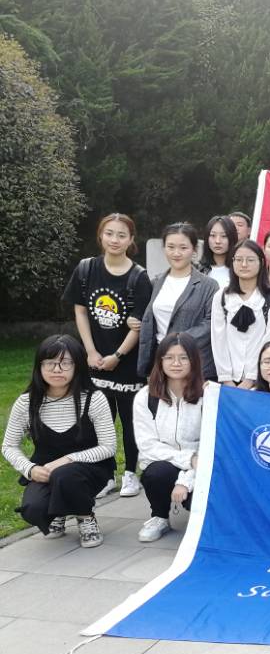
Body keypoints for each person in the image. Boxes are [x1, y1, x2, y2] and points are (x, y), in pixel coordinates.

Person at [63, 212, 152, 499]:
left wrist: (117, 355)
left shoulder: (139, 277)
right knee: (99, 420)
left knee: (129, 420)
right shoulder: (86, 269)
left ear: (131, 240)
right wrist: (90, 351)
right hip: (94, 359)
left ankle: (131, 474)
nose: (115, 240)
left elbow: (139, 323)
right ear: (100, 235)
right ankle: (105, 475)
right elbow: (80, 310)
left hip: (127, 362)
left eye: (121, 235)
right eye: (109, 233)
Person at [2, 335, 116, 547]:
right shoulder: (27, 402)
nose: (57, 369)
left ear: (78, 366)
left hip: (91, 469)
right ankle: (59, 510)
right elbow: (8, 446)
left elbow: (108, 447)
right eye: (50, 363)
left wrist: (66, 460)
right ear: (39, 366)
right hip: (45, 471)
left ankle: (85, 517)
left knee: (65, 475)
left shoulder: (94, 398)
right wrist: (30, 469)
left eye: (65, 363)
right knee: (33, 509)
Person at [133, 333, 205, 543]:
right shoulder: (146, 397)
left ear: (194, 361)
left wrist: (185, 481)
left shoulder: (207, 396)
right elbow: (147, 445)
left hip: (200, 467)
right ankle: (159, 516)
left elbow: (208, 447)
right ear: (160, 361)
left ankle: (202, 514)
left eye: (183, 358)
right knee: (157, 473)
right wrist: (188, 459)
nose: (176, 363)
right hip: (167, 463)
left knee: (198, 503)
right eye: (169, 357)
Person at [138, 223, 219, 381]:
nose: (176, 253)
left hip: (194, 362)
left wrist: (176, 342)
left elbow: (211, 324)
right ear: (164, 249)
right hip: (160, 361)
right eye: (171, 247)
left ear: (194, 250)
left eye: (183, 248)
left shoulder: (208, 285)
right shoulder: (155, 283)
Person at [211, 240, 270, 388]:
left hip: (261, 380)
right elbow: (218, 339)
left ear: (261, 262)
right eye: (239, 259)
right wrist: (226, 378)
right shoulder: (222, 297)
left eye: (250, 260)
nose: (244, 264)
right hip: (228, 381)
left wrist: (251, 378)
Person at [199, 215, 238, 288]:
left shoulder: (239, 270)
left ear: (232, 238)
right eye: (213, 235)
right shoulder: (199, 271)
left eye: (224, 236)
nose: (218, 241)